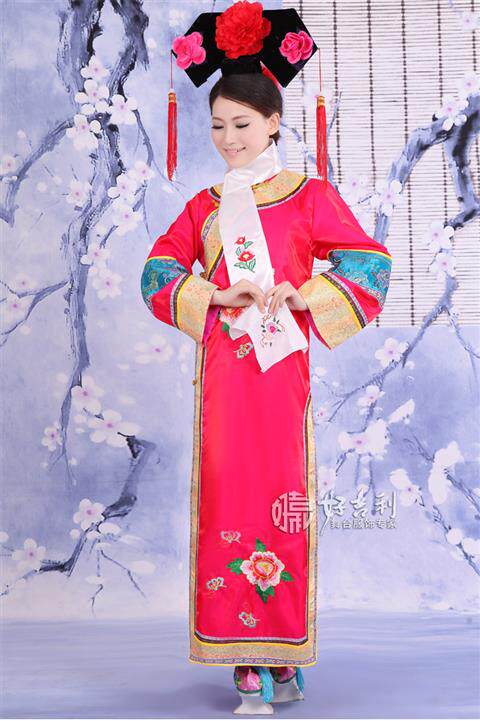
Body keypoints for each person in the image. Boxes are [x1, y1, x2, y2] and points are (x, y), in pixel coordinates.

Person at [140, 2, 392, 715]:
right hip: (225, 379)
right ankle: (240, 656)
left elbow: (370, 265)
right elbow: (157, 274)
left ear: (275, 122)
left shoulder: (310, 198)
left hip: (282, 377)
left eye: (243, 125)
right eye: (218, 126)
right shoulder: (205, 206)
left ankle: (283, 650)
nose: (229, 140)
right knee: (227, 494)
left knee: (282, 501)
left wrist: (304, 291)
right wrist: (216, 295)